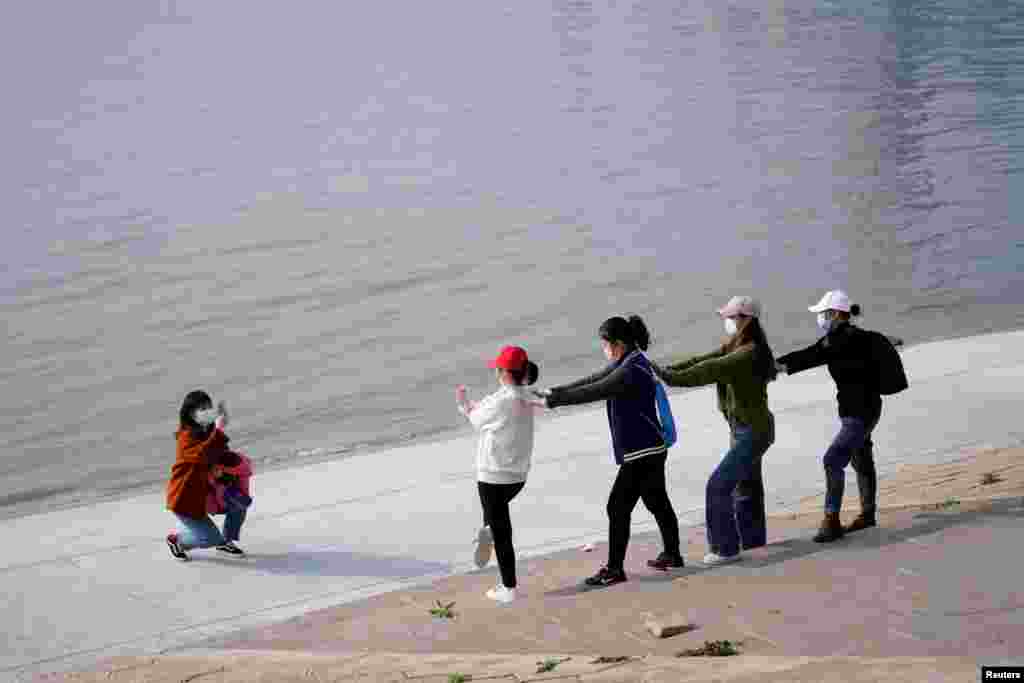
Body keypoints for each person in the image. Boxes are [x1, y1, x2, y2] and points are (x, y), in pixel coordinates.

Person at [536, 315, 683, 587]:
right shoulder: (630, 361)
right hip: (650, 447)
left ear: (617, 344)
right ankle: (672, 554)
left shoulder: (631, 369)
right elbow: (595, 378)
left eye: (604, 345)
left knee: (617, 506)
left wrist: (554, 402)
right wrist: (554, 391)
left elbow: (598, 389)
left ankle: (615, 569)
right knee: (656, 501)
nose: (603, 350)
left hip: (642, 451)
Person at [652, 296, 776, 566]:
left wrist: (668, 377)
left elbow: (710, 369)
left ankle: (725, 548)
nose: (727, 322)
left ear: (746, 320)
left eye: (731, 318)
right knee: (747, 488)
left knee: (718, 486)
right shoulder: (734, 346)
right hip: (743, 429)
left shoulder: (749, 352)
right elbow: (701, 360)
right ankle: (753, 542)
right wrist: (663, 370)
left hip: (754, 432)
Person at [776, 290, 881, 542]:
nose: (821, 319)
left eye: (823, 314)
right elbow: (816, 352)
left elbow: (809, 355)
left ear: (835, 314)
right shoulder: (860, 336)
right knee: (861, 457)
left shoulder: (836, 340)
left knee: (833, 460)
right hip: (869, 409)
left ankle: (831, 521)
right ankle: (867, 515)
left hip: (857, 414)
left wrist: (774, 366)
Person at [456, 346, 540, 604]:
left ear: (503, 373)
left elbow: (476, 420)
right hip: (518, 476)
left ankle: (508, 588)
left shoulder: (502, 400)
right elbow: (490, 409)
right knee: (496, 518)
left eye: (498, 368)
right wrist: (473, 407)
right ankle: (487, 531)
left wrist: (464, 406)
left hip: (492, 475)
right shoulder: (526, 395)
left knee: (501, 530)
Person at [166, 391, 247, 561]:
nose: (207, 411)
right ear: (190, 413)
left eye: (208, 407)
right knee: (208, 538)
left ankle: (225, 542)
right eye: (202, 408)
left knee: (239, 503)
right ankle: (177, 540)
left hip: (209, 490)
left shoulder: (207, 430)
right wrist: (218, 429)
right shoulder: (185, 437)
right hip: (187, 499)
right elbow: (203, 454)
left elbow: (218, 453)